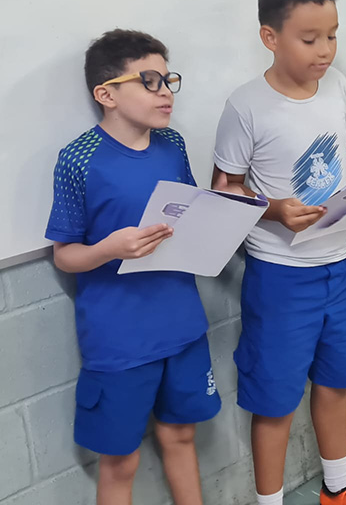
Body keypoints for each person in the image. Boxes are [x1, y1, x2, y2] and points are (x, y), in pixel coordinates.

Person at [212, 0, 346, 505]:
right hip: (281, 275)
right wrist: (273, 210)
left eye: (333, 35)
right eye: (310, 38)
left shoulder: (337, 84)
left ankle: (339, 487)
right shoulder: (246, 105)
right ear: (270, 37)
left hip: (341, 265)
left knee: (336, 381)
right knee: (275, 400)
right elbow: (223, 189)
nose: (325, 50)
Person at [46, 29, 221, 505]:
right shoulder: (79, 159)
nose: (165, 92)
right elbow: (64, 254)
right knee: (120, 461)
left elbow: (188, 215)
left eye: (168, 80)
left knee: (180, 436)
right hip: (119, 340)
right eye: (149, 81)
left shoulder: (173, 144)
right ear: (106, 94)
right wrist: (109, 248)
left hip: (182, 324)